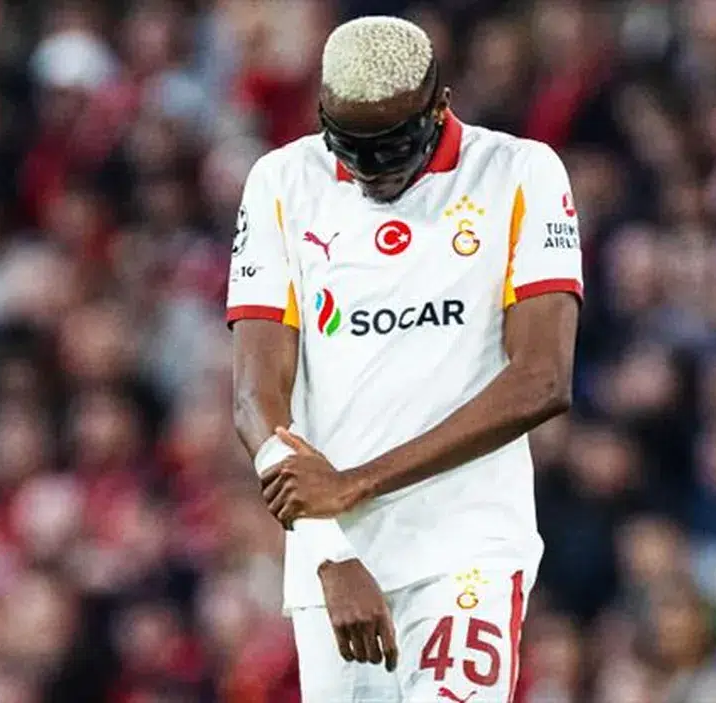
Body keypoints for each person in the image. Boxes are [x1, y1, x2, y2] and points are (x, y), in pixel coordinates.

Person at [227, 15, 582, 702]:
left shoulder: (519, 173)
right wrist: (329, 550)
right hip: (335, 565)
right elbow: (253, 398)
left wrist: (357, 482)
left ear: (438, 105)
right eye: (351, 148)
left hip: (468, 547)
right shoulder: (280, 182)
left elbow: (543, 379)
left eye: (392, 147)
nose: (371, 171)